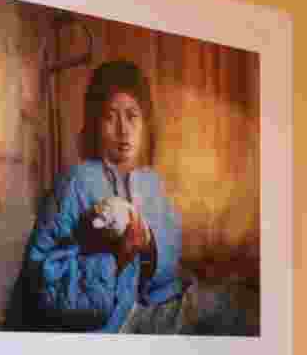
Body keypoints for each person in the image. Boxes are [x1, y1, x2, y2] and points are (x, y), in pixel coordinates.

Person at [10, 60, 184, 333]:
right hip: (100, 329)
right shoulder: (76, 182)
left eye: (132, 116)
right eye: (110, 116)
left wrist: (149, 246)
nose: (123, 129)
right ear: (94, 123)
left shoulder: (152, 183)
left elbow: (170, 272)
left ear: (145, 122)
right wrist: (119, 258)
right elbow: (44, 285)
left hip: (142, 313)